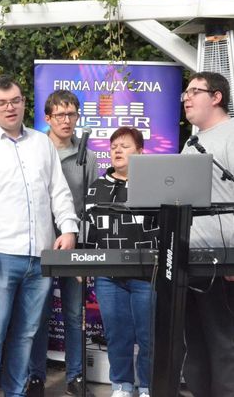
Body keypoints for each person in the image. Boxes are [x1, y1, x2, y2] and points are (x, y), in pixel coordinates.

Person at [0, 75, 79, 397]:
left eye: (14, 100)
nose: (9, 107)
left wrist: (69, 228)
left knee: (27, 335)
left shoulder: (42, 143)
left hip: (40, 256)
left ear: (24, 102)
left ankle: (16, 393)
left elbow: (58, 191)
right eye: (1, 103)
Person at [28, 90, 98, 397]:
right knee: (38, 313)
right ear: (48, 118)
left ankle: (76, 376)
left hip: (75, 244)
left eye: (72, 114)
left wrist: (87, 249)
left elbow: (93, 206)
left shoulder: (88, 156)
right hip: (41, 243)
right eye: (60, 115)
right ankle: (35, 377)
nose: (67, 121)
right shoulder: (35, 151)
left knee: (73, 313)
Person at [85, 126, 157, 397]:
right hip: (108, 275)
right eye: (114, 146)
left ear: (140, 152)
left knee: (148, 334)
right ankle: (122, 386)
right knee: (117, 333)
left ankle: (148, 386)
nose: (117, 150)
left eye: (125, 146)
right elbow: (89, 231)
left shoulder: (153, 186)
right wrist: (85, 265)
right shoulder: (97, 187)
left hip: (147, 273)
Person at [180, 71, 234, 397]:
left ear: (216, 97)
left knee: (225, 344)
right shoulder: (191, 144)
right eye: (185, 93)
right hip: (191, 262)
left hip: (224, 263)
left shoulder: (231, 135)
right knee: (195, 345)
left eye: (194, 92)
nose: (186, 98)